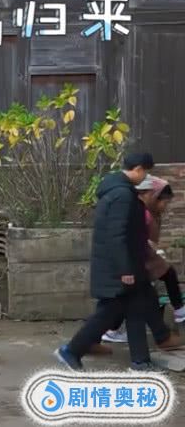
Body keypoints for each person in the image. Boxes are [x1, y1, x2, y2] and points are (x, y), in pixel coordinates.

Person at [55, 152, 162, 371]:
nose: (146, 178)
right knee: (108, 313)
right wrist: (125, 269)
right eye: (146, 172)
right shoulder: (122, 195)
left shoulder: (117, 190)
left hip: (123, 265)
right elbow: (116, 235)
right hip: (118, 268)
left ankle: (140, 361)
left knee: (135, 309)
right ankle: (71, 351)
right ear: (138, 169)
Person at [103, 174, 185, 343]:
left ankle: (111, 330)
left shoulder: (149, 213)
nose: (165, 206)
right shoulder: (142, 213)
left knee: (130, 297)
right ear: (152, 196)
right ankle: (174, 318)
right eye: (164, 202)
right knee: (164, 277)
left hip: (142, 258)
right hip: (137, 259)